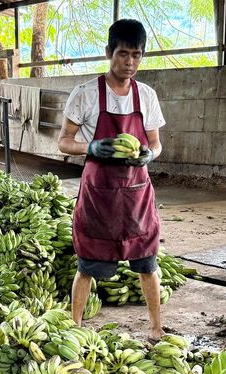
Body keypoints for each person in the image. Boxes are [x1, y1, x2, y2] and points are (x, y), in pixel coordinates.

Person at [58, 19, 166, 341]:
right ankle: (75, 326)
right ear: (109, 52)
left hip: (136, 196)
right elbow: (64, 141)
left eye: (136, 55)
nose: (129, 62)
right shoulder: (86, 94)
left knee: (147, 264)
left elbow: (156, 143)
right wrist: (90, 147)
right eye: (122, 54)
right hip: (99, 197)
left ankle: (157, 327)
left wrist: (150, 155)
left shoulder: (146, 96)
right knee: (87, 266)